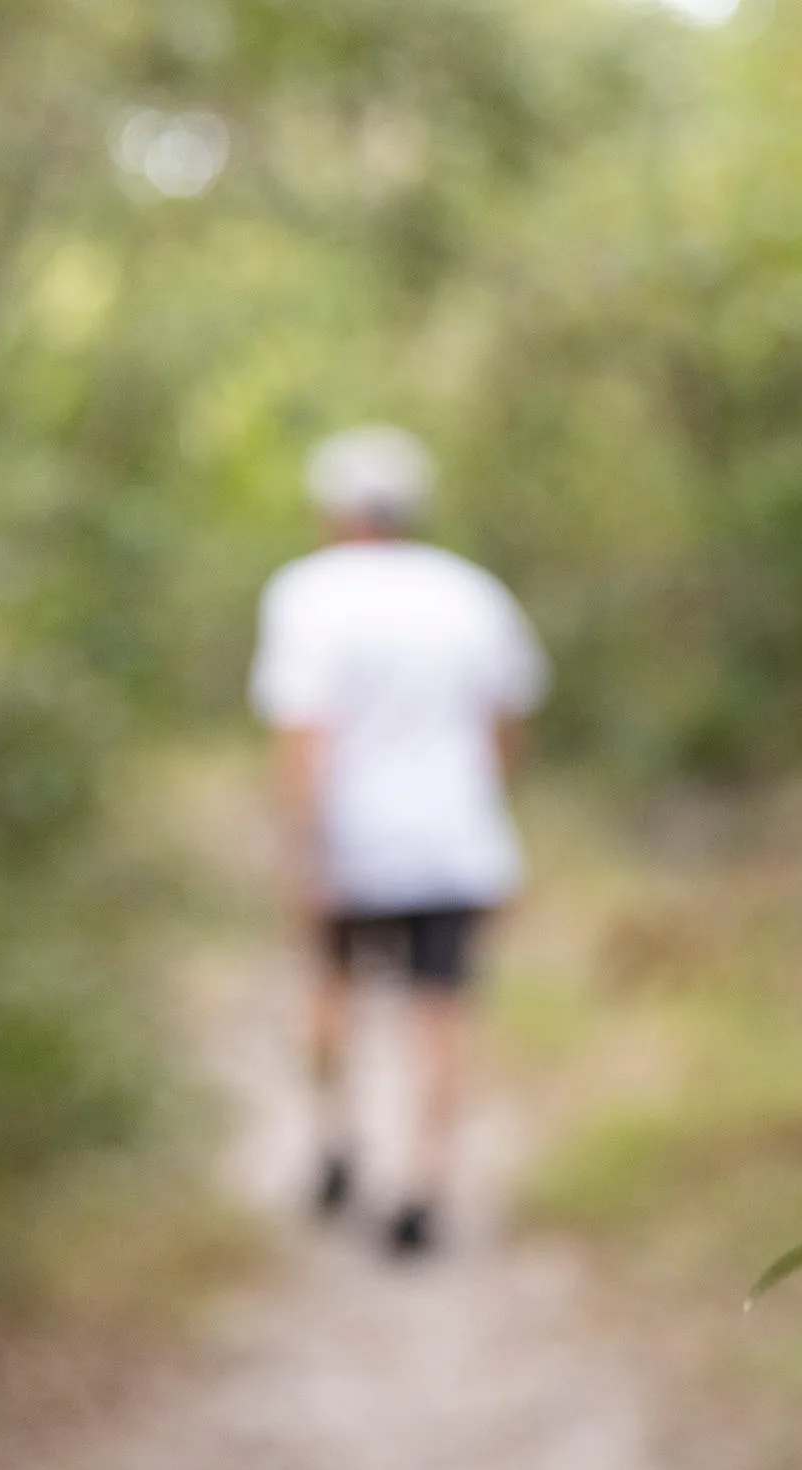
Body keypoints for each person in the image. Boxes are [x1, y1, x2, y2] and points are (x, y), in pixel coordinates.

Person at [248, 425, 549, 1256]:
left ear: (334, 512)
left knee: (328, 992)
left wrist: (302, 848)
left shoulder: (307, 595)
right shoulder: (471, 593)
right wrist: (480, 803)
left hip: (351, 843)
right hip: (454, 842)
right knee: (441, 1009)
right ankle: (425, 1188)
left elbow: (303, 733)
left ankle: (336, 1140)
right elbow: (508, 720)